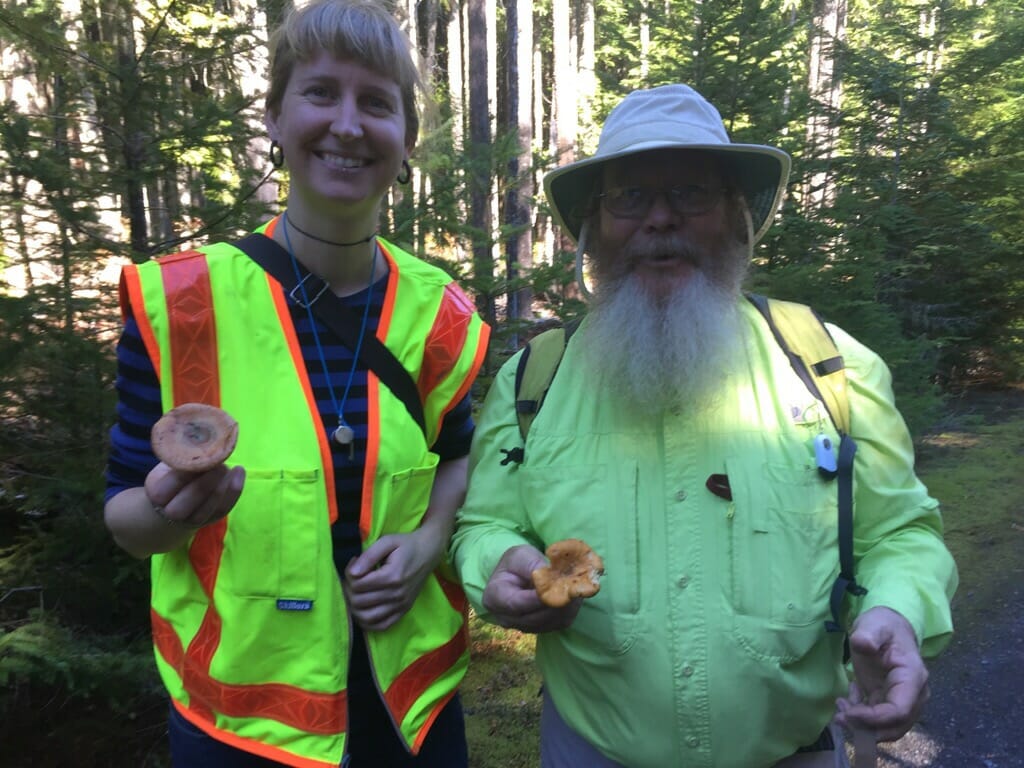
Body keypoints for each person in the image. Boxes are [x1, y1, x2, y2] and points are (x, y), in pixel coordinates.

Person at [449, 84, 958, 768]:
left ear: (739, 216)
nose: (662, 219)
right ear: (593, 227)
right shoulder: (532, 384)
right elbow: (484, 524)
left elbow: (902, 532)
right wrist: (501, 566)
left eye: (693, 193)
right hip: (589, 754)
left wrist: (898, 611)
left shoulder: (836, 371)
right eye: (629, 197)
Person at [103, 1, 489, 766]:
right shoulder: (184, 303)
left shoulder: (441, 315)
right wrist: (168, 514)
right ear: (275, 117)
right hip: (240, 723)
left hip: (408, 708)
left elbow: (457, 454)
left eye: (376, 103)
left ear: (407, 140)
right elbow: (125, 518)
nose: (348, 124)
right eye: (321, 93)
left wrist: (428, 542)